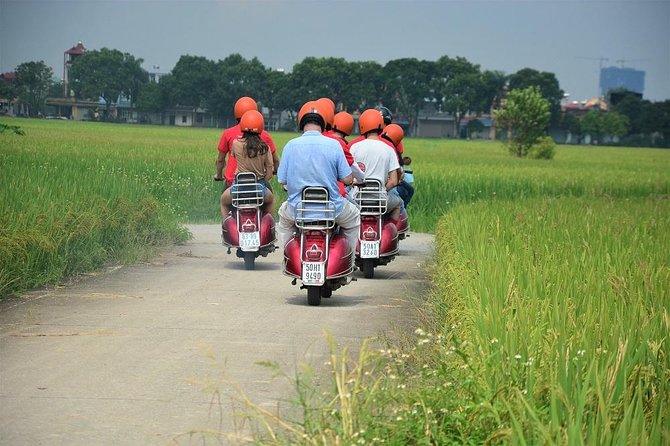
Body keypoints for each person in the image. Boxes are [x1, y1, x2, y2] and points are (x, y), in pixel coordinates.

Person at [277, 101, 360, 250]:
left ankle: (287, 257)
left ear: (301, 125)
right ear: (322, 125)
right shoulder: (334, 145)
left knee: (284, 223)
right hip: (331, 209)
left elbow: (282, 179)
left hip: (298, 209)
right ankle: (350, 259)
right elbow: (347, 178)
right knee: (354, 218)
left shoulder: (290, 145)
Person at [349, 109, 402, 224]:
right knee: (398, 203)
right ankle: (389, 230)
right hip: (380, 200)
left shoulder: (354, 147)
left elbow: (348, 176)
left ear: (362, 125)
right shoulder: (389, 149)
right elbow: (394, 181)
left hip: (357, 198)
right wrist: (382, 190)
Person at [214, 96, 279, 188]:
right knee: (269, 199)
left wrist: (219, 175)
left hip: (234, 181)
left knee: (224, 200)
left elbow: (220, 160)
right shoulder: (264, 135)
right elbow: (275, 160)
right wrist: (275, 171)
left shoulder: (228, 134)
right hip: (258, 182)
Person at [219, 110, 274, 218]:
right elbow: (269, 174)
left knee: (223, 201)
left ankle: (225, 225)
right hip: (258, 188)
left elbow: (233, 156)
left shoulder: (236, 144)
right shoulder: (265, 148)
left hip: (239, 188)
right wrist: (262, 180)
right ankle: (271, 229)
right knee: (271, 200)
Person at [381, 123, 414, 207]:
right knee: (400, 203)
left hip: (364, 188)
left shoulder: (360, 144)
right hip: (384, 187)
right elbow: (397, 176)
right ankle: (400, 214)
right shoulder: (392, 150)